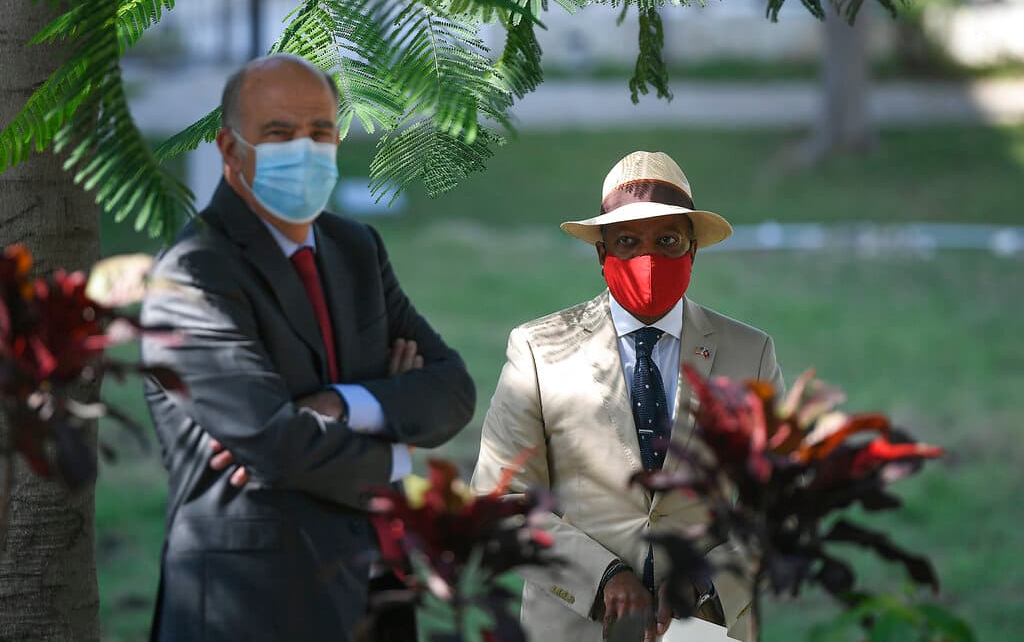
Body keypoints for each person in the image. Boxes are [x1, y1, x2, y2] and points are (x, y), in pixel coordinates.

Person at [140, 53, 475, 641]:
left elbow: (451, 390)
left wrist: (343, 405)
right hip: (253, 607)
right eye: (279, 133)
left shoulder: (356, 250)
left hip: (378, 590)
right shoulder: (194, 275)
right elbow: (275, 444)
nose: (305, 148)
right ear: (228, 149)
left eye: (320, 130)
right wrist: (397, 451)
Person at [470, 151, 784, 642]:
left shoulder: (751, 353)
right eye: (628, 242)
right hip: (573, 626)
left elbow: (780, 499)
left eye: (667, 241)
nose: (649, 259)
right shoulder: (538, 349)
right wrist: (602, 578)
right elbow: (500, 500)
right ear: (602, 254)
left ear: (693, 251)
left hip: (705, 628)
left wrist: (709, 583)